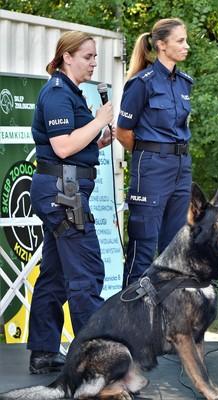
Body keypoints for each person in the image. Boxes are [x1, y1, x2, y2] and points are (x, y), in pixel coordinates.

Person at [27, 30, 115, 374]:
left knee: (55, 274)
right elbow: (62, 147)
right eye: (88, 57)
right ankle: (93, 360)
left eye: (95, 57)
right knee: (86, 274)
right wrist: (99, 121)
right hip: (63, 193)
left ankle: (44, 352)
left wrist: (99, 137)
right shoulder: (58, 94)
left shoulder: (71, 93)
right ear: (67, 57)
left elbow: (74, 147)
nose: (94, 63)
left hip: (65, 189)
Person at [117, 18, 193, 287]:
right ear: (161, 45)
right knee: (144, 246)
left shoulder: (185, 83)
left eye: (185, 40)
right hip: (151, 167)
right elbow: (123, 132)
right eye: (180, 41)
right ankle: (129, 320)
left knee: (178, 244)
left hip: (181, 167)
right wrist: (149, 156)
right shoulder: (142, 83)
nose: (186, 46)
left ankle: (168, 318)